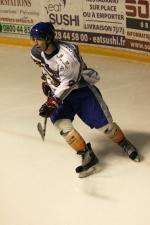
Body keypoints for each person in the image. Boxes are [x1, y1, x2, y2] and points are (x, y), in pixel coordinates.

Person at [30, 22, 140, 178]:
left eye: (38, 39)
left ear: (48, 38)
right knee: (62, 125)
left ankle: (124, 142)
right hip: (60, 94)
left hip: (80, 92)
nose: (35, 43)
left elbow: (69, 82)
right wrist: (47, 83)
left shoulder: (67, 56)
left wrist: (53, 101)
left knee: (107, 128)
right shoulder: (36, 52)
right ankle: (87, 154)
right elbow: (46, 69)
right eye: (33, 39)